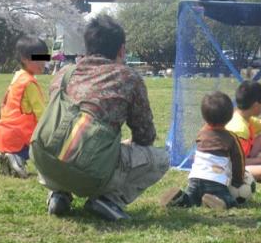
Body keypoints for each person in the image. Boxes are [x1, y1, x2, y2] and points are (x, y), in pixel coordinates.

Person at [38, 15, 169, 220]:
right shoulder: (128, 78)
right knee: (162, 158)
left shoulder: (63, 74)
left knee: (68, 140)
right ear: (121, 49)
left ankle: (59, 192)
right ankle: (109, 200)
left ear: (88, 46)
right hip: (92, 172)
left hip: (46, 163)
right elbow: (145, 136)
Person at [160, 91, 244, 210]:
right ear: (230, 117)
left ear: (204, 117)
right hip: (216, 180)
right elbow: (238, 161)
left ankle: (179, 198)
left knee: (191, 199)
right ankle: (221, 201)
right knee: (229, 199)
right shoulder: (231, 138)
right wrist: (237, 181)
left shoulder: (201, 134)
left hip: (195, 178)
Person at [0, 36, 47, 178]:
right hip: (19, 136)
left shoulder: (18, 76)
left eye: (44, 58)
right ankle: (16, 158)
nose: (43, 63)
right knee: (44, 144)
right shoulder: (29, 83)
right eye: (38, 59)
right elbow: (41, 112)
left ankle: (8, 156)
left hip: (5, 134)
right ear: (24, 59)